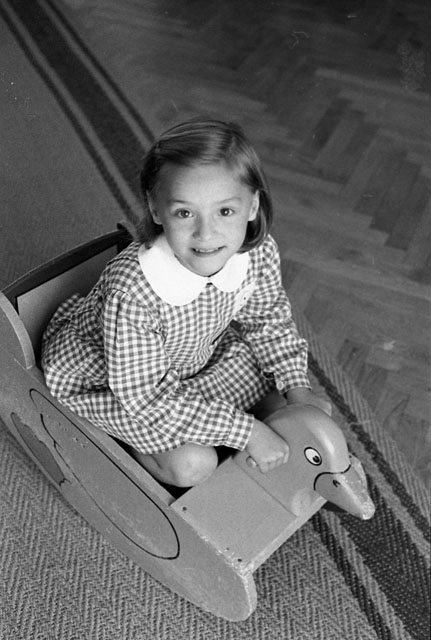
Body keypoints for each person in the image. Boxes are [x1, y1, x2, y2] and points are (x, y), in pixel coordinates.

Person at [42, 118, 331, 488]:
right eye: (184, 213)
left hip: (189, 361)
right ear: (156, 209)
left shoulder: (256, 253)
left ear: (253, 205)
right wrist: (248, 432)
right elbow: (148, 398)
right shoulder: (132, 291)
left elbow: (268, 322)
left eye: (225, 211)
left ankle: (227, 423)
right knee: (193, 464)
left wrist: (298, 390)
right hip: (113, 384)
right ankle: (137, 450)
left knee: (282, 397)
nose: (206, 234)